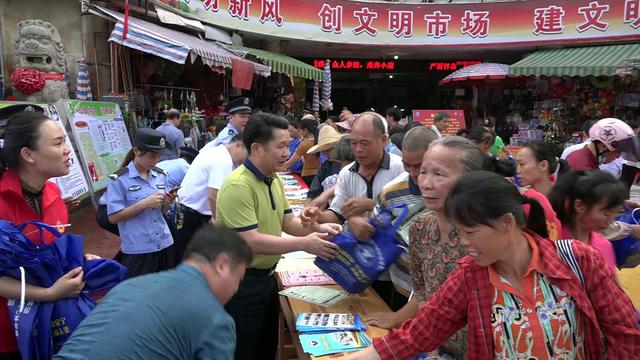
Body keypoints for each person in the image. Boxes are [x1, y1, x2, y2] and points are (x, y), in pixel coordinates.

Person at [346, 171, 640, 360]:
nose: (464, 243)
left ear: (507, 223)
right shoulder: (469, 278)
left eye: (470, 232)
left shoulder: (579, 260)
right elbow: (416, 335)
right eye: (459, 233)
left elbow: (625, 336)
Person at [216, 112, 342, 360]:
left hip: (266, 278)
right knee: (243, 349)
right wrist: (305, 243)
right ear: (257, 148)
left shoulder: (273, 179)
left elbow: (289, 222)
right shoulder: (238, 186)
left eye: (288, 144)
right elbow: (250, 240)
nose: (287, 152)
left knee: (265, 347)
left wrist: (319, 229)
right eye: (281, 146)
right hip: (240, 284)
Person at [54, 225, 253, 360]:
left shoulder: (131, 285)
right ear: (222, 265)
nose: (235, 289)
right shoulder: (215, 320)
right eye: (239, 279)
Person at [363, 136, 484, 359]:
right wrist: (432, 352)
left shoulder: (485, 236)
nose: (426, 183)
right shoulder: (420, 227)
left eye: (439, 174)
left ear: (470, 180)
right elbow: (424, 297)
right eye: (423, 172)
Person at [0, 106, 86, 359]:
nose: (67, 150)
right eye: (58, 143)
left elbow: (52, 253)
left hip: (52, 329)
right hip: (8, 337)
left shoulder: (54, 195)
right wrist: (48, 294)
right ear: (28, 154)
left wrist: (81, 260)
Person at [348, 127, 438, 310]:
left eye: (419, 166)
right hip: (403, 288)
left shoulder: (453, 189)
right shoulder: (391, 192)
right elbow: (377, 232)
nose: (413, 173)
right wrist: (358, 225)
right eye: (407, 165)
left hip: (440, 293)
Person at [105, 128, 178, 277]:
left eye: (159, 157)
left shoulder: (160, 175)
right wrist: (144, 203)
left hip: (164, 242)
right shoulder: (119, 180)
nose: (156, 161)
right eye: (152, 156)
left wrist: (167, 203)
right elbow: (113, 217)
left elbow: (160, 211)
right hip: (139, 248)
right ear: (136, 151)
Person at [174, 135, 248, 261]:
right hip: (192, 215)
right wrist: (218, 222)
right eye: (246, 155)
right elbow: (214, 195)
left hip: (185, 210)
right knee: (193, 258)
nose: (244, 160)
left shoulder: (216, 151)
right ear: (239, 145)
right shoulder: (223, 160)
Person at [549, 170, 626, 273]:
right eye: (606, 214)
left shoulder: (604, 245)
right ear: (579, 206)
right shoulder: (552, 238)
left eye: (615, 214)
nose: (611, 221)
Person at [515, 141, 568, 240]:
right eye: (517, 164)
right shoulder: (524, 200)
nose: (517, 170)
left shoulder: (566, 198)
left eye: (522, 164)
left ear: (543, 165)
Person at [565, 118, 640, 171]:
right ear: (604, 146)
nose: (618, 157)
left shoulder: (590, 161)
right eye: (618, 152)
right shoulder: (582, 165)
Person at [306, 125, 343, 198]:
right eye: (324, 150)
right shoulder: (325, 166)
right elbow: (314, 191)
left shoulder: (351, 164)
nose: (326, 153)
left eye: (330, 149)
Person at [282, 117, 321, 186]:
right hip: (319, 174)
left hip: (308, 175)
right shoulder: (320, 141)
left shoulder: (305, 144)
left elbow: (291, 162)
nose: (300, 132)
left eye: (301, 130)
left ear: (305, 130)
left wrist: (276, 167)